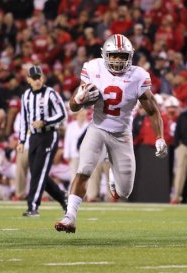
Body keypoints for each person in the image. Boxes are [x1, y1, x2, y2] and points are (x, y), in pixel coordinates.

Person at [54, 34, 167, 233]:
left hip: (122, 134)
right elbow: (72, 107)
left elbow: (152, 110)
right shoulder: (93, 68)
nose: (117, 60)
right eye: (113, 56)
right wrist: (79, 98)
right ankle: (69, 216)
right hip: (97, 127)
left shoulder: (138, 76)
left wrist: (159, 137)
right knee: (84, 170)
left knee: (124, 191)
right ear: (105, 55)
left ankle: (114, 173)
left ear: (129, 57)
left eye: (122, 56)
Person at [17, 65, 68, 217]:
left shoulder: (50, 93)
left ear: (43, 78)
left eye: (39, 77)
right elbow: (24, 120)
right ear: (28, 80)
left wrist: (45, 121)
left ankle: (32, 206)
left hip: (49, 135)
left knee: (39, 172)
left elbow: (62, 114)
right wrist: (21, 140)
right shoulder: (25, 95)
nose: (37, 81)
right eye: (33, 78)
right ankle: (62, 197)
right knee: (37, 172)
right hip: (34, 137)